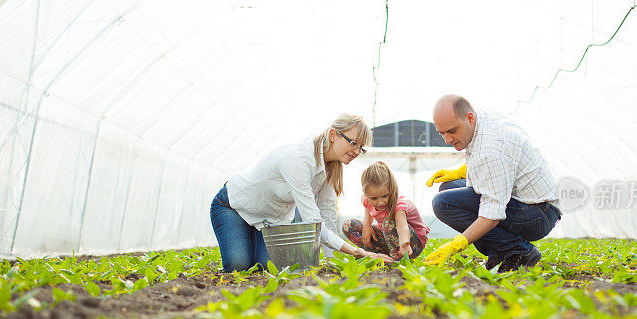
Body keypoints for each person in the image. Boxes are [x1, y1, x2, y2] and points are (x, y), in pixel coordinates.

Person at [210, 114, 394, 272]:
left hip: (267, 221)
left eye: (360, 148)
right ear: (332, 134)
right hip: (233, 206)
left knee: (268, 268)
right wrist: (357, 252)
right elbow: (314, 222)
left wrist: (333, 263)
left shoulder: (331, 168)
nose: (356, 151)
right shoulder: (300, 161)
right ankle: (239, 239)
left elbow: (327, 216)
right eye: (353, 143)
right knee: (239, 266)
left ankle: (249, 242)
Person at [424, 95, 561, 271]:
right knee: (448, 188)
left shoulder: (492, 149)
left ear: (469, 118)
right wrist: (461, 172)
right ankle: (501, 251)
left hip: (536, 214)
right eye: (442, 133)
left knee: (443, 203)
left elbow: (492, 214)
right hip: (526, 202)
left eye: (452, 131)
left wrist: (458, 244)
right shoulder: (481, 121)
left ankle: (518, 250)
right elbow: (502, 167)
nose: (447, 139)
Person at [341, 161, 430, 260]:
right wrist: (367, 226)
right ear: (366, 194)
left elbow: (402, 227)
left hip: (412, 244)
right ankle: (377, 256)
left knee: (389, 222)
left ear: (392, 189)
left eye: (384, 196)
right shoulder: (366, 199)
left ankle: (394, 260)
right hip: (389, 238)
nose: (380, 202)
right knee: (348, 225)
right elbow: (368, 208)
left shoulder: (399, 204)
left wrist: (405, 243)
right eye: (374, 198)